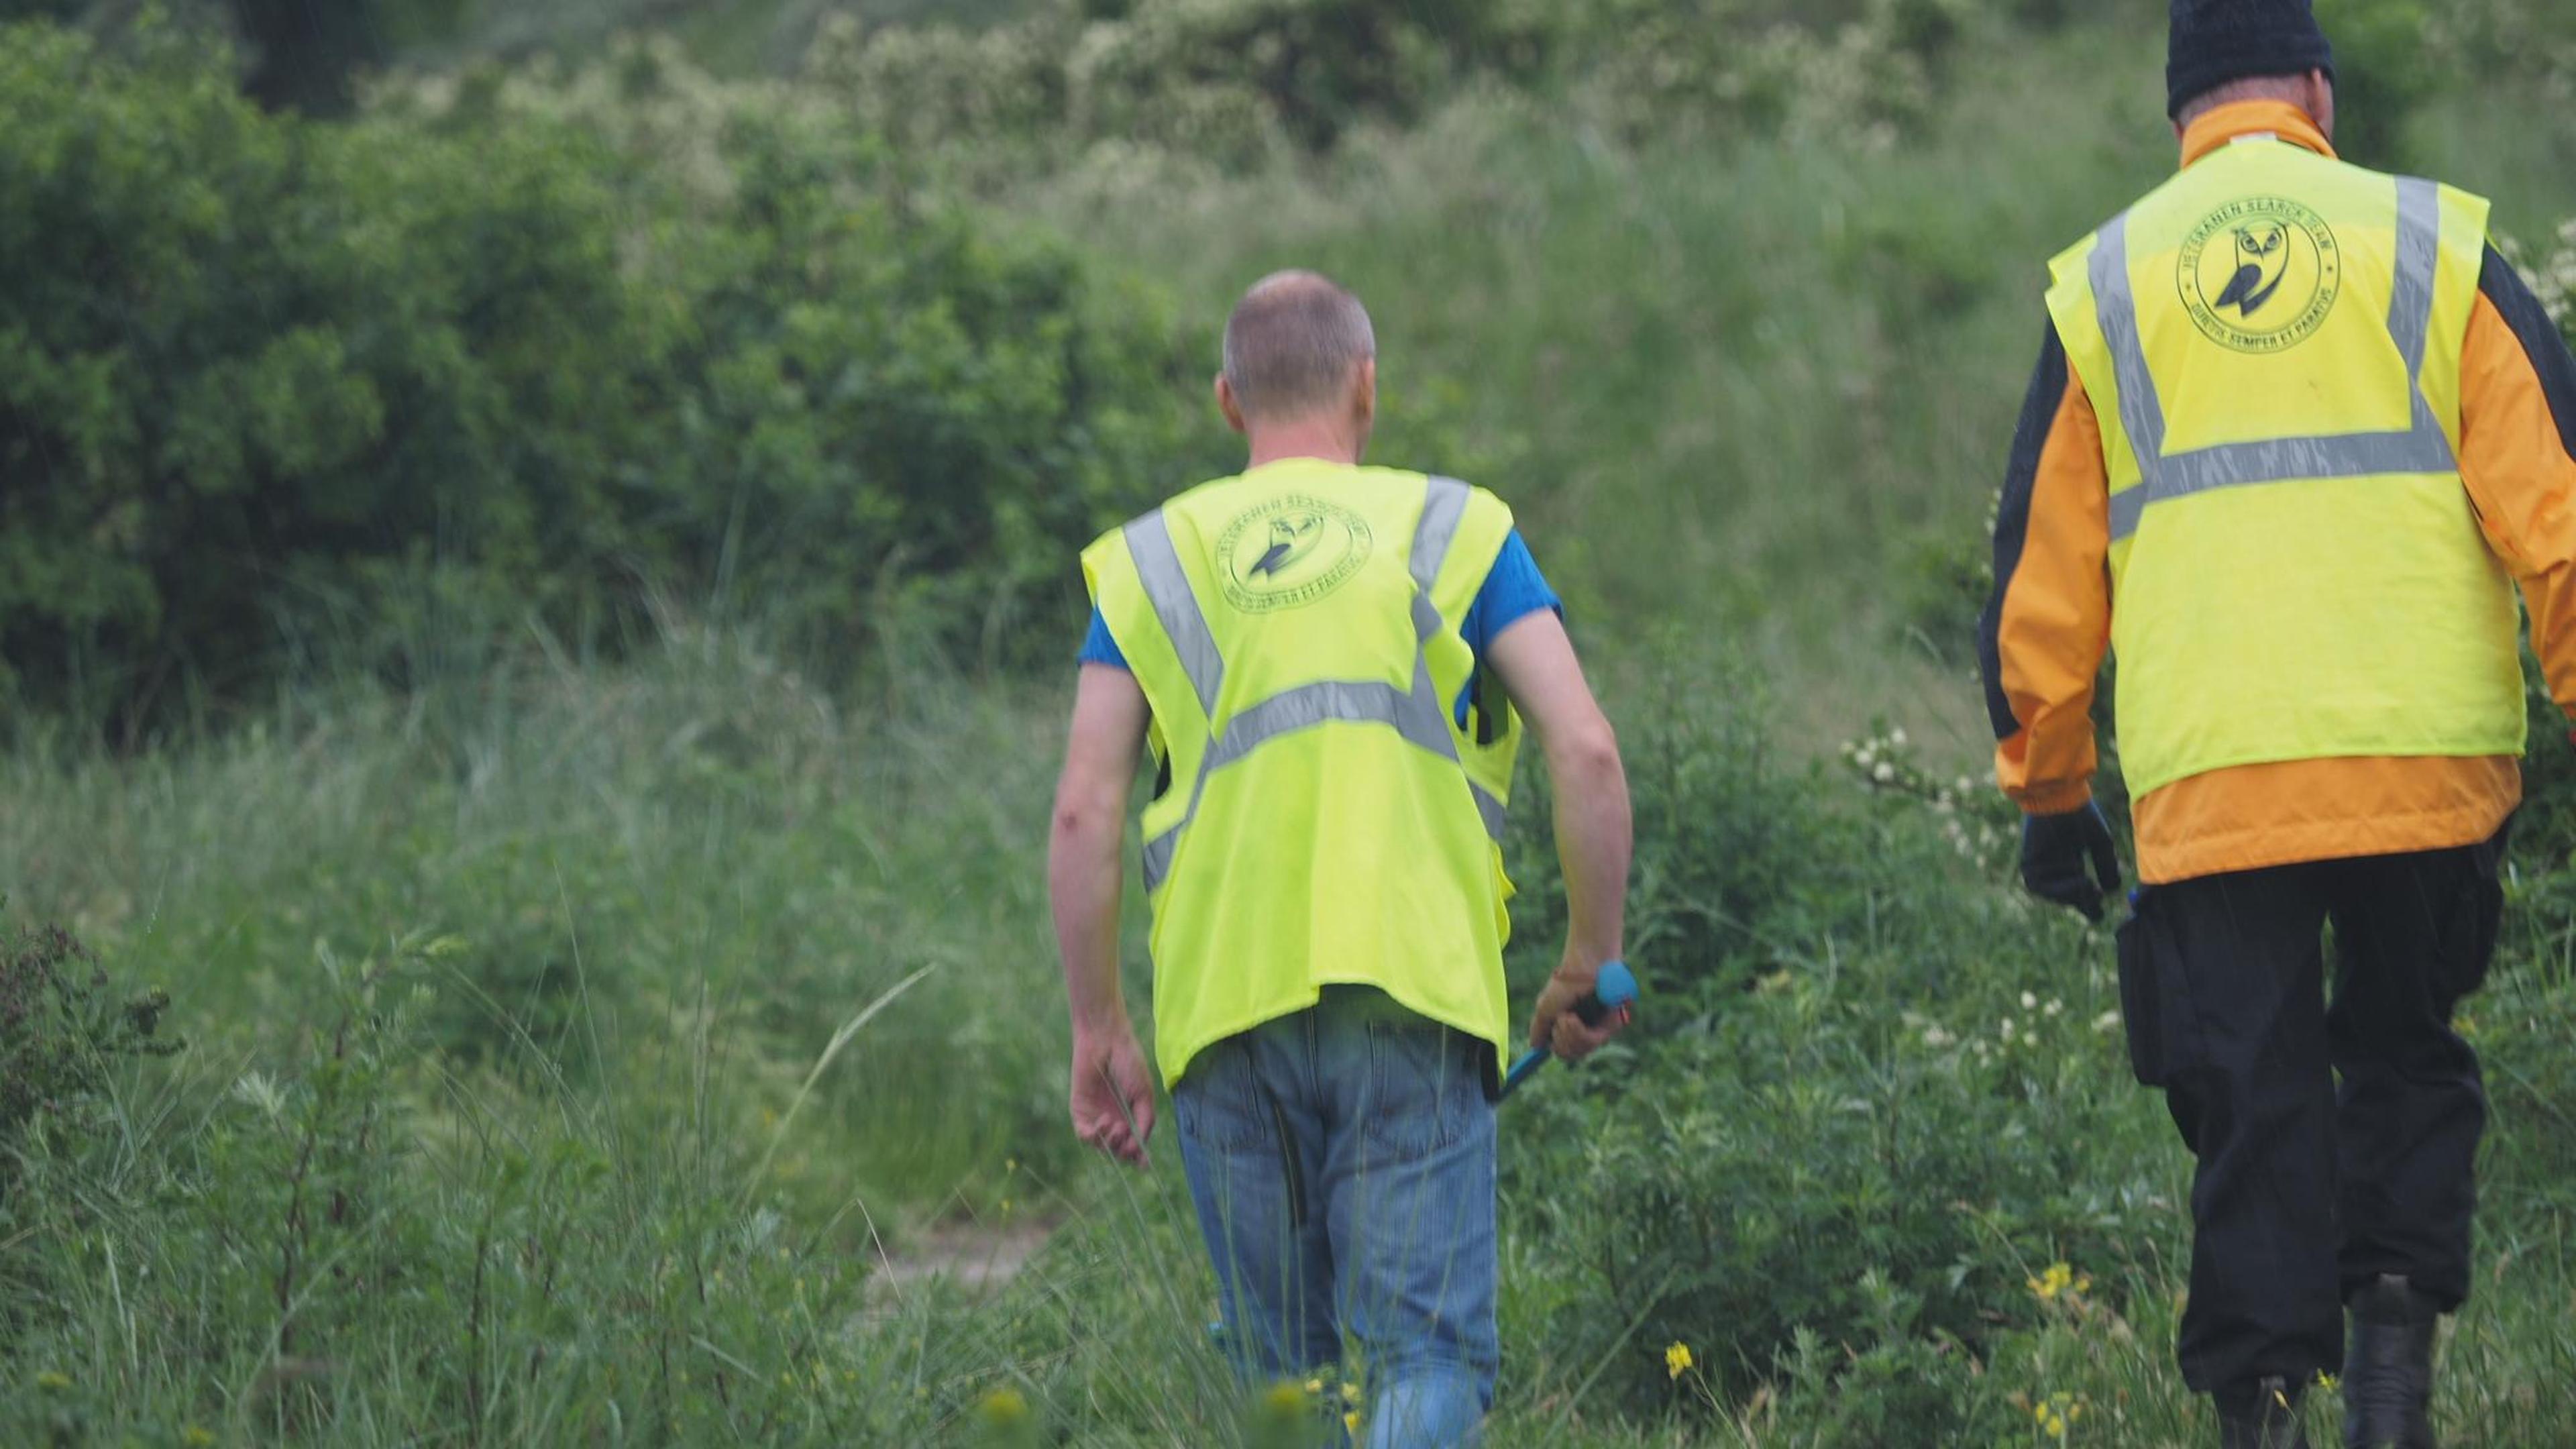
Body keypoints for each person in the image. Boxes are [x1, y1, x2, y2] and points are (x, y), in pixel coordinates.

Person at [1980, 2, 2576, 1445]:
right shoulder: (2439, 250)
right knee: (2404, 1050)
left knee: (2251, 1098)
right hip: (2424, 762)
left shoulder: (2106, 284)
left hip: (2215, 781)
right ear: (2318, 86)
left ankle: (2265, 1417)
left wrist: (2053, 798)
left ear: (2180, 111)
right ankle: (2390, 1390)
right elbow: (2561, 518)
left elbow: (2039, 584)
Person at [1048, 270, 1634, 1447]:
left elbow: (1082, 813)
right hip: (1411, 992)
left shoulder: (1153, 560)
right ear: (1368, 386)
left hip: (1223, 1007)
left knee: (1282, 1376)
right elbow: (1586, 750)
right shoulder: (1458, 530)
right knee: (1429, 1356)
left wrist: (1099, 1025)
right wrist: (1588, 958)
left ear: (1228, 402)